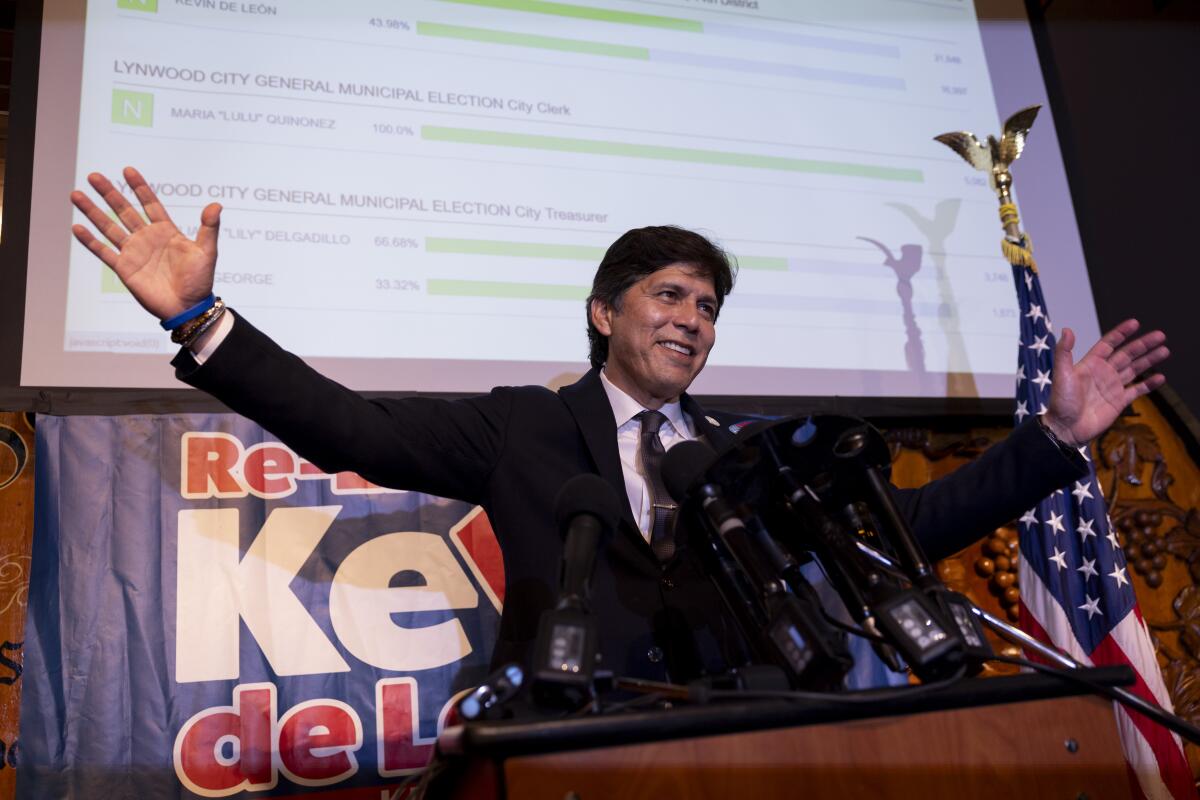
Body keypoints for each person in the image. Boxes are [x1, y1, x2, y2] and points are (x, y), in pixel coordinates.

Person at [70, 167, 1170, 684]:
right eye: (668, 296)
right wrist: (201, 318)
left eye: (707, 306)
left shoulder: (741, 454)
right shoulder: (525, 428)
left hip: (746, 737)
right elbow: (345, 422)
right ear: (605, 314)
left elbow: (911, 523)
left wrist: (1054, 442)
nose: (691, 319)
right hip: (573, 737)